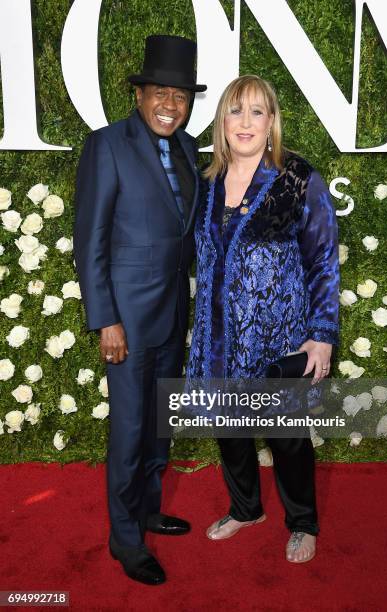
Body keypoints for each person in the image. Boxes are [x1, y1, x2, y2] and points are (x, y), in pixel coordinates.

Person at [187, 75, 340, 563]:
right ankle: (246, 508)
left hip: (281, 337)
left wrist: (321, 336)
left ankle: (302, 522)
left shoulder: (297, 178)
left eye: (257, 111)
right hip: (218, 336)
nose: (246, 122)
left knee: (287, 437)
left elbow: (323, 261)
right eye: (236, 111)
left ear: (272, 121)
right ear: (222, 122)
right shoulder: (205, 181)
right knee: (229, 429)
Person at [74, 35, 206, 585]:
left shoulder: (189, 148)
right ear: (140, 95)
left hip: (174, 315)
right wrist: (106, 319)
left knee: (158, 426)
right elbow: (91, 238)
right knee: (129, 432)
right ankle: (125, 539)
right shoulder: (107, 146)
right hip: (125, 322)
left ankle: (148, 509)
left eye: (179, 95)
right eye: (160, 93)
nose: (169, 105)